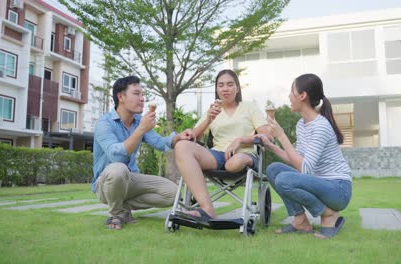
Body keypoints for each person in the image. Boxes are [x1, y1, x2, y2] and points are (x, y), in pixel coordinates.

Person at [255, 73, 352, 239]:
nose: (289, 96)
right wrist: (272, 146)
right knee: (274, 170)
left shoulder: (320, 126)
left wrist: (282, 136)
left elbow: (304, 169)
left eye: (291, 92)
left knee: (284, 179)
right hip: (320, 183)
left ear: (302, 95)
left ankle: (328, 215)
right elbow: (296, 160)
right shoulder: (301, 124)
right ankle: (300, 220)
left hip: (338, 189)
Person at [92, 75, 195, 230]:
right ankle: (116, 214)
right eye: (136, 94)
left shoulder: (139, 121)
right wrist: (141, 129)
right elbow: (116, 156)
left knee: (173, 193)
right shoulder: (104, 124)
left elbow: (160, 143)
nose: (142, 99)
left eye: (142, 94)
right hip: (106, 182)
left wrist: (179, 137)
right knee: (118, 169)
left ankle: (123, 207)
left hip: (131, 178)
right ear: (121, 96)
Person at [174, 69, 270, 223]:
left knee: (234, 163)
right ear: (217, 89)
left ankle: (208, 208)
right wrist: (208, 119)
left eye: (230, 84)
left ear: (237, 88)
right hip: (218, 155)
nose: (225, 89)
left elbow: (267, 135)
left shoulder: (249, 107)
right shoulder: (213, 110)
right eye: (221, 85)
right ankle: (207, 209)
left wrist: (239, 140)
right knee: (182, 147)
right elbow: (193, 137)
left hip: (245, 154)